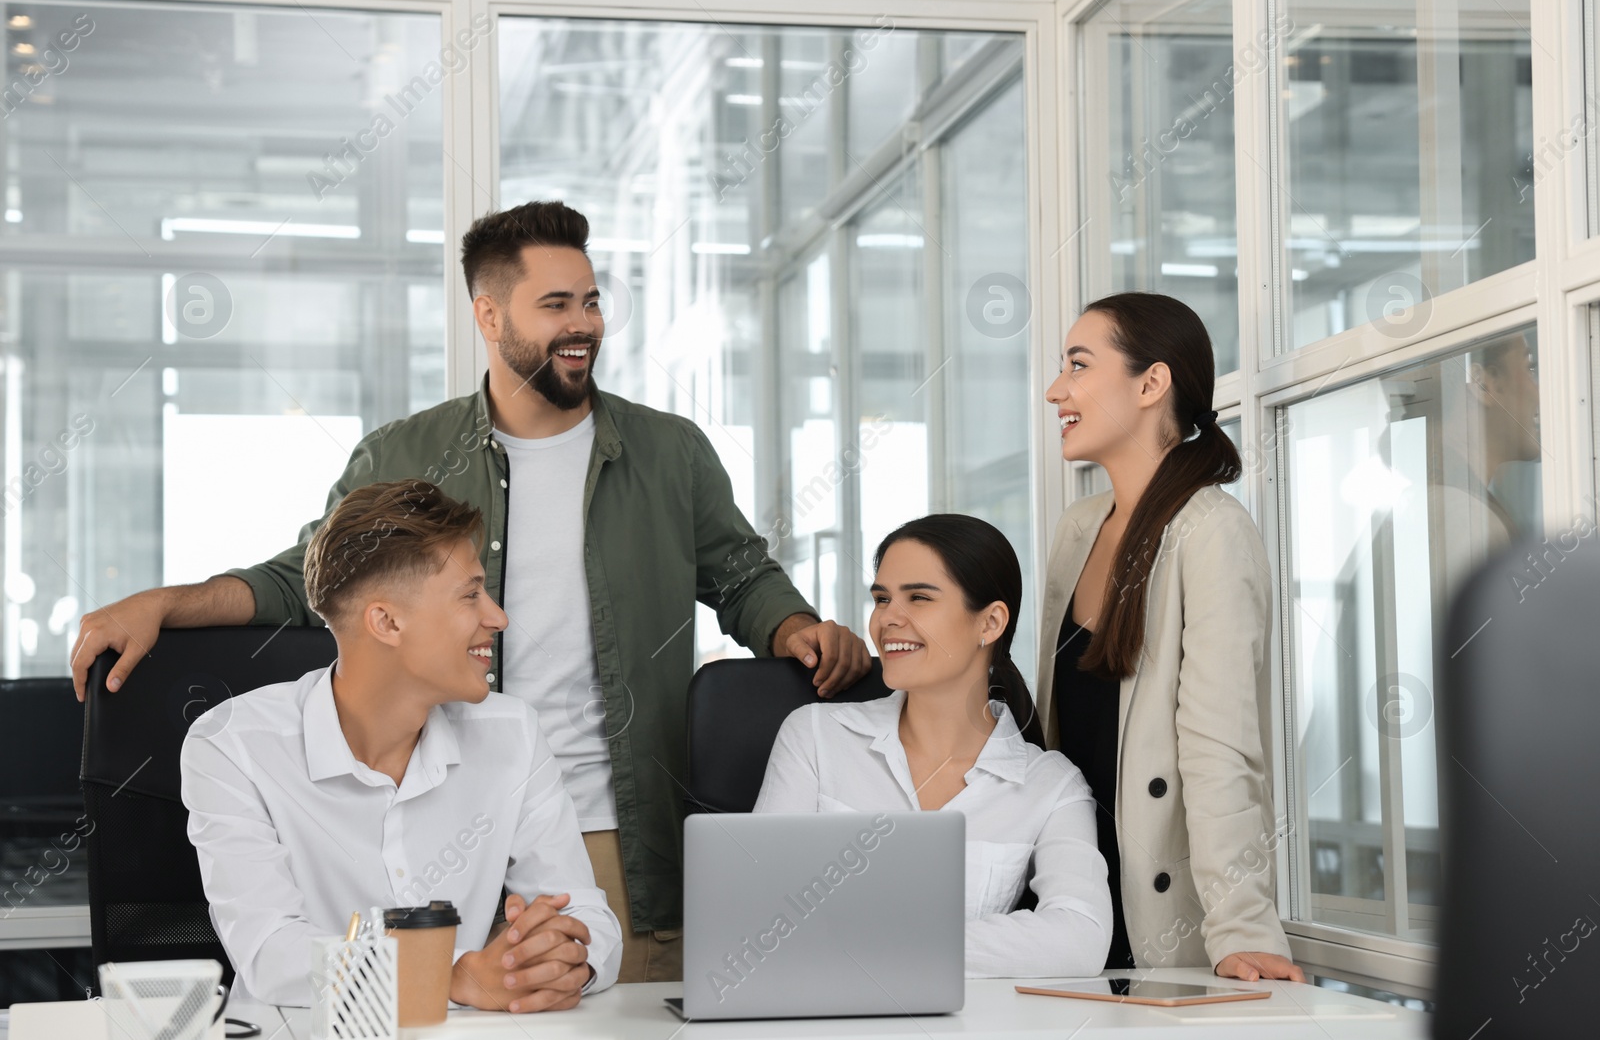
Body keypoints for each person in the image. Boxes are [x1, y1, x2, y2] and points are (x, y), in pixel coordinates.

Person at [75, 200, 873, 983]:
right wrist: (168, 604)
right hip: (444, 810)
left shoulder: (670, 452)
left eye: (591, 301)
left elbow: (740, 573)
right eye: (555, 303)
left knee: (584, 1005)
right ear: (490, 317)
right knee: (427, 997)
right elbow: (307, 579)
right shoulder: (406, 451)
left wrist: (793, 625)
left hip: (606, 829)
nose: (584, 323)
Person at [181, 480, 621, 1009]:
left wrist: (561, 960)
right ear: (386, 621)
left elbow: (589, 919)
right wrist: (447, 978)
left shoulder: (513, 734)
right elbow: (272, 955)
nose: (498, 618)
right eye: (470, 594)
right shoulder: (232, 746)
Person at [1037, 291, 1302, 983]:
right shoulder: (1076, 529)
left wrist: (1241, 925)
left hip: (1159, 931)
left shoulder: (1211, 531)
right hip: (1068, 918)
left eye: (1078, 365)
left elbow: (1222, 751)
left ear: (1152, 383)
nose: (1054, 390)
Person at [754, 514, 1113, 978]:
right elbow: (761, 918)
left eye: (918, 597)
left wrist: (879, 945)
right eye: (882, 598)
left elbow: (1079, 939)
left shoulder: (1051, 786)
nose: (888, 618)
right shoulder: (815, 738)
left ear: (991, 622)